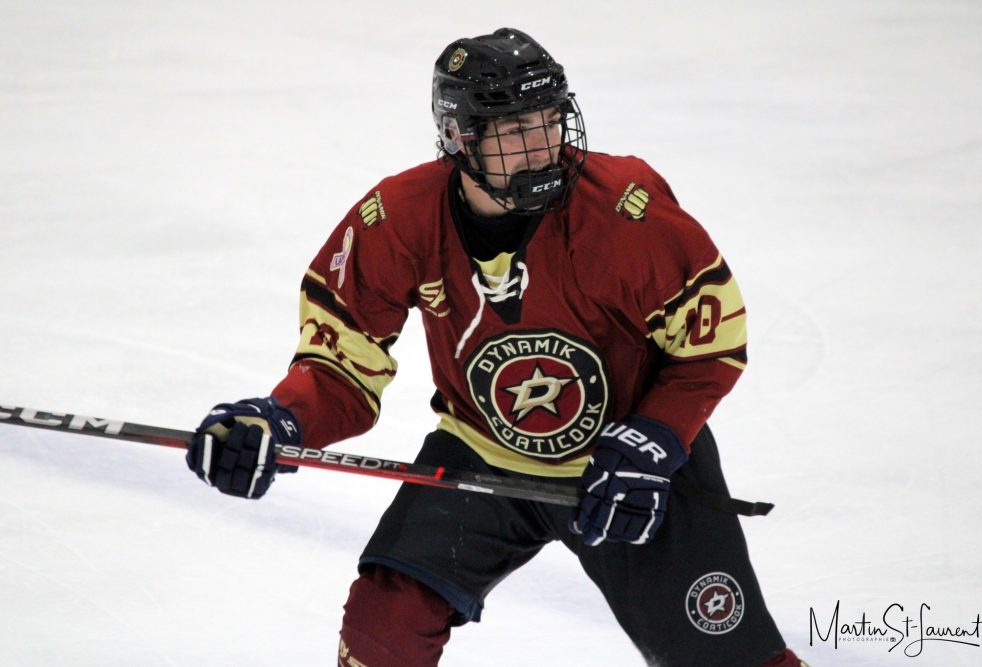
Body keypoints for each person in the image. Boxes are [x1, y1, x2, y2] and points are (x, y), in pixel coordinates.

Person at [185, 27, 806, 667]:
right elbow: (342, 363)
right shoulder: (398, 217)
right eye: (515, 130)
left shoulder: (623, 209)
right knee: (382, 631)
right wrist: (281, 420)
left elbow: (710, 345)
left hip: (625, 472)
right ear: (460, 137)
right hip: (481, 457)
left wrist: (656, 437)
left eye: (550, 121)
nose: (543, 147)